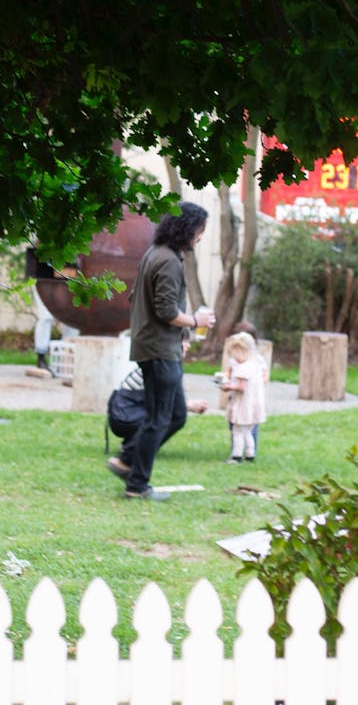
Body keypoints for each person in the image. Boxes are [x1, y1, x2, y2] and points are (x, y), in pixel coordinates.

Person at [108, 202, 212, 501]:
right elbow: (166, 310)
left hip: (156, 346)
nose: (200, 237)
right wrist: (195, 322)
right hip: (158, 350)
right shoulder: (167, 260)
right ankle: (137, 485)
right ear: (186, 229)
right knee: (159, 418)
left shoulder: (154, 254)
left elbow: (138, 298)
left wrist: (179, 334)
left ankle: (127, 457)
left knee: (177, 414)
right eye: (199, 231)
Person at [106, 335, 209, 460]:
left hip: (128, 412)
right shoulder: (162, 365)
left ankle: (133, 446)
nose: (188, 346)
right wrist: (188, 406)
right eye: (184, 342)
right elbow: (161, 400)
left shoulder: (169, 364)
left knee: (173, 415)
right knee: (170, 417)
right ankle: (132, 448)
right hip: (123, 415)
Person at [218, 332, 268, 463]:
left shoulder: (243, 368)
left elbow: (240, 387)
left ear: (242, 351)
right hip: (253, 404)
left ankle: (236, 455)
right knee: (248, 431)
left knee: (237, 431)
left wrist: (227, 386)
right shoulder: (255, 364)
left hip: (243, 405)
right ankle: (250, 453)